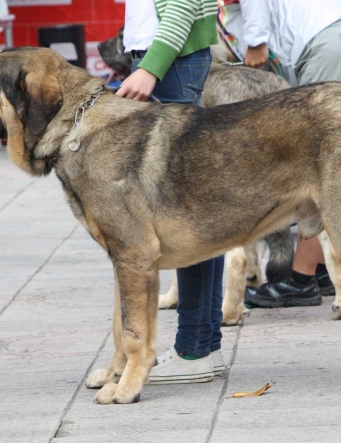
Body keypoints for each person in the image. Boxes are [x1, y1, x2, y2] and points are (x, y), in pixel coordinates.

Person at [218, 0, 341, 308]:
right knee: (340, 172)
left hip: (332, 47)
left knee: (313, 171)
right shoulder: (239, 12)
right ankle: (324, 271)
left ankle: (300, 281)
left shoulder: (248, 9)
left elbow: (258, 40)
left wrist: (256, 44)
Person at [118, 0, 225, 384]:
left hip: (168, 61)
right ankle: (203, 344)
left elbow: (182, 5)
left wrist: (150, 68)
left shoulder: (158, 64)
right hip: (168, 59)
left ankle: (193, 349)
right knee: (197, 211)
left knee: (185, 216)